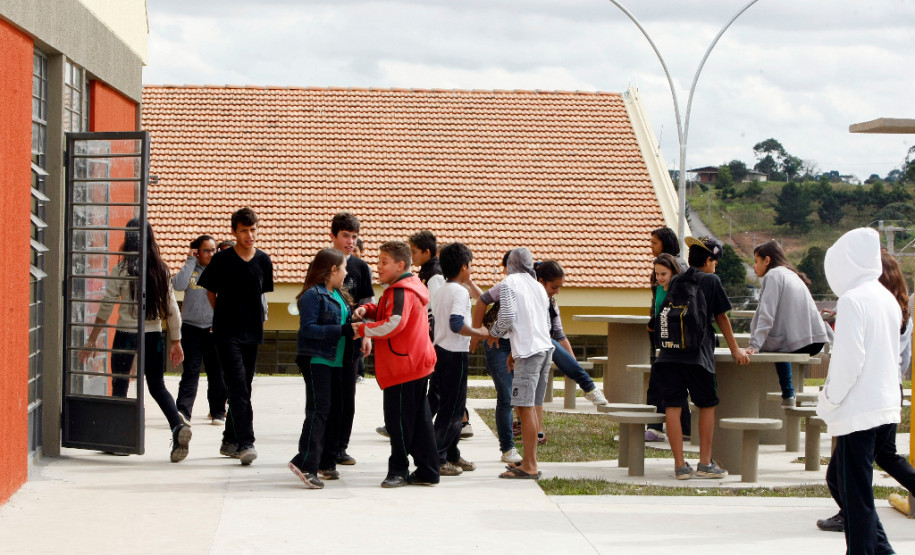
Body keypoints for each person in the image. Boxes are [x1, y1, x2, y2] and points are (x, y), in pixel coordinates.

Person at [816, 234, 906, 555]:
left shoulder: (853, 300)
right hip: (885, 407)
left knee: (855, 497)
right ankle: (882, 550)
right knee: (850, 488)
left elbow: (848, 362)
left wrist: (828, 400)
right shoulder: (886, 298)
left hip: (859, 413)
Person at [79, 219, 189, 462]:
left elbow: (107, 305)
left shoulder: (122, 269)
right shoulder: (161, 269)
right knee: (157, 385)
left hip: (126, 335)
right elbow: (172, 308)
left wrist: (92, 339)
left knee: (120, 385)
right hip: (154, 336)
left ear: (128, 238)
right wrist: (176, 340)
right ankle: (177, 426)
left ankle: (120, 440)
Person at [653, 236, 749, 480]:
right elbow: (722, 317)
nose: (715, 266)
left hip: (669, 355)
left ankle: (679, 465)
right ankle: (705, 463)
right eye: (715, 262)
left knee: (673, 407)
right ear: (708, 260)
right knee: (706, 405)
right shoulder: (711, 280)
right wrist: (736, 349)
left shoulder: (676, 279)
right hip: (698, 356)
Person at [353, 241, 439, 488]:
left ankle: (398, 471)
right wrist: (368, 309)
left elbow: (394, 323)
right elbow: (388, 312)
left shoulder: (401, 290)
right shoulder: (407, 287)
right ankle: (428, 471)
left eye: (384, 262)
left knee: (398, 422)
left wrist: (363, 329)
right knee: (419, 421)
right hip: (414, 363)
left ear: (400, 265)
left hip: (403, 366)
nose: (378, 267)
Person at [198, 207, 274, 466]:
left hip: (252, 332)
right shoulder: (221, 260)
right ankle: (246, 442)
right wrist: (221, 315)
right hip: (226, 332)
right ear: (234, 232)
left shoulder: (263, 260)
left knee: (244, 387)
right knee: (238, 386)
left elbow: (261, 295)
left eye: (253, 230)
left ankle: (229, 439)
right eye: (244, 231)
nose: (249, 235)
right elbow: (210, 291)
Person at [288, 248, 355, 489]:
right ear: (333, 269)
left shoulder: (338, 294)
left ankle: (325, 462)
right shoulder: (312, 295)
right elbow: (308, 329)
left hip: (338, 361)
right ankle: (306, 465)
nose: (346, 273)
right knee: (319, 411)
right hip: (318, 360)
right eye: (344, 268)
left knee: (336, 411)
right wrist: (343, 330)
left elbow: (345, 322)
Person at [489, 248, 554, 480]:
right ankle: (528, 460)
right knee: (531, 406)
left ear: (510, 264)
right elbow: (545, 323)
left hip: (529, 353)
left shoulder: (509, 283)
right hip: (544, 349)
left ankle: (530, 466)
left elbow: (507, 315)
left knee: (524, 407)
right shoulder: (537, 285)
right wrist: (514, 351)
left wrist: (493, 333)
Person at [745, 240, 833, 406]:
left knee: (770, 345)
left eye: (756, 261)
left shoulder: (773, 276)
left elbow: (766, 314)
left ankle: (787, 392)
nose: (754, 266)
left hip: (803, 342)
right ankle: (788, 394)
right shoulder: (790, 274)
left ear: (767, 260)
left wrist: (754, 345)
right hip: (816, 340)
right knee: (776, 341)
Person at [431, 242, 488, 477]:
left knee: (449, 406)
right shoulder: (460, 292)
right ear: (464, 266)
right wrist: (478, 332)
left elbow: (480, 298)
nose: (472, 269)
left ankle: (452, 454)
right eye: (470, 265)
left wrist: (468, 282)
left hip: (441, 352)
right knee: (453, 410)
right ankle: (438, 458)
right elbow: (456, 324)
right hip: (454, 354)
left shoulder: (443, 289)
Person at [329, 212, 373, 465]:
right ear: (333, 235)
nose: (350, 241)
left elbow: (367, 302)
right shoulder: (322, 262)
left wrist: (366, 333)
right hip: (328, 342)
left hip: (353, 340)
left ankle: (340, 448)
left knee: (347, 397)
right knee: (328, 398)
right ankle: (324, 447)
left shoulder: (361, 267)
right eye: (345, 235)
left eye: (354, 236)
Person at [471, 251, 522, 464]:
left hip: (521, 345)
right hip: (498, 344)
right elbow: (482, 300)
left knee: (523, 396)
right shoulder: (505, 285)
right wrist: (476, 334)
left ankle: (531, 435)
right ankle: (508, 448)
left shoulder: (533, 286)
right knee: (507, 395)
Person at [535, 260, 608, 407]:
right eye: (554, 287)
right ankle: (589, 386)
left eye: (559, 287)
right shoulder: (527, 298)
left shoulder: (551, 303)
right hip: (521, 344)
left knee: (550, 343)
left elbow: (559, 335)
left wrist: (572, 363)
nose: (557, 292)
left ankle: (589, 388)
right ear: (540, 281)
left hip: (542, 346)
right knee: (548, 342)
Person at [173, 234, 227, 426]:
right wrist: (190, 261)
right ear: (197, 252)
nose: (211, 254)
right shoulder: (191, 269)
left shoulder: (221, 270)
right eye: (206, 250)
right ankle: (183, 412)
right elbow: (177, 285)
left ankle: (218, 412)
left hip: (215, 328)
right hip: (191, 329)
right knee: (191, 371)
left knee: (216, 372)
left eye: (213, 250)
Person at [646, 226, 690, 442]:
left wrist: (655, 324)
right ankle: (685, 428)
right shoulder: (664, 267)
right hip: (661, 334)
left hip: (669, 337)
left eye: (654, 242)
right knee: (672, 383)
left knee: (660, 383)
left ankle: (655, 426)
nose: (651, 246)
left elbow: (670, 306)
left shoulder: (677, 268)